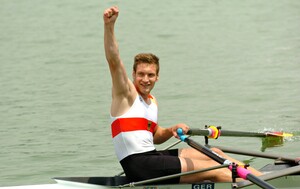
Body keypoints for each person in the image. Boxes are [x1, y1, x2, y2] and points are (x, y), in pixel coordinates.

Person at [103, 6, 262, 184]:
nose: (145, 79)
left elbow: (154, 135)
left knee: (214, 154)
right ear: (133, 75)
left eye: (150, 75)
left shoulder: (152, 102)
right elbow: (114, 61)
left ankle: (262, 178)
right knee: (215, 169)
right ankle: (255, 185)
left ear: (157, 77)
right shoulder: (125, 95)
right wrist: (109, 26)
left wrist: (171, 130)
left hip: (152, 156)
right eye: (141, 74)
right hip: (139, 165)